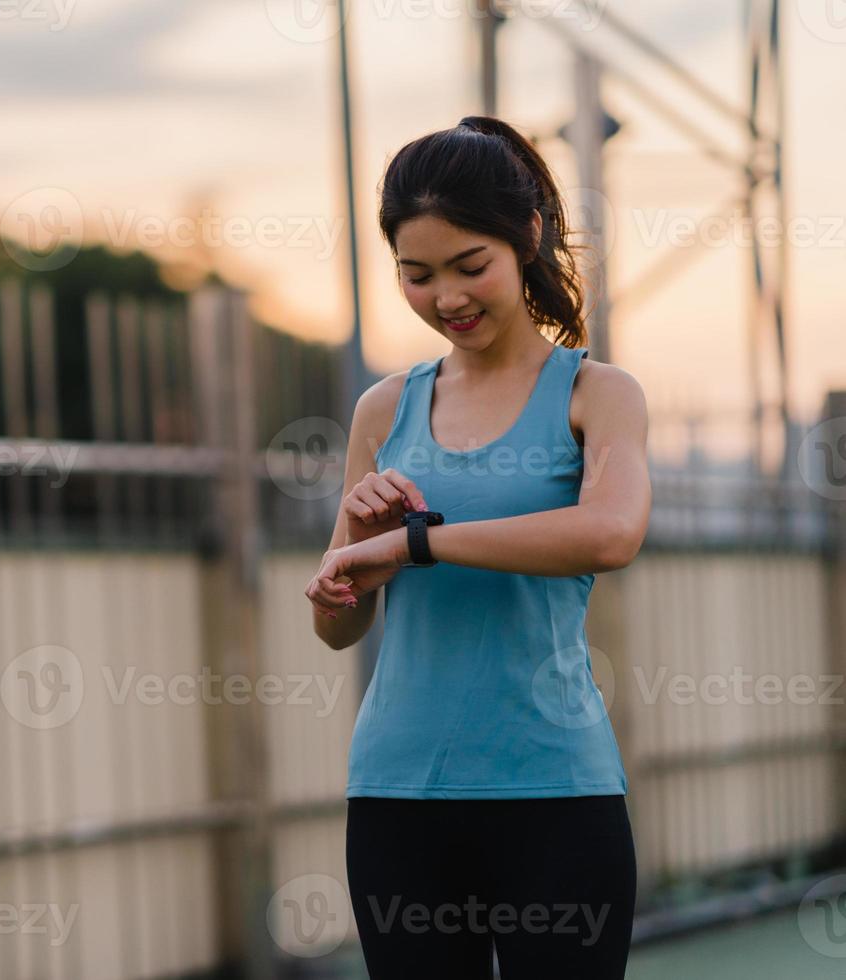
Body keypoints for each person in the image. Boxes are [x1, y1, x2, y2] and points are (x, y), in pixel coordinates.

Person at [305, 115, 651, 979]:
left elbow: (610, 532)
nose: (446, 299)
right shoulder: (382, 410)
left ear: (526, 238)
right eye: (415, 276)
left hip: (555, 791)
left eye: (470, 267)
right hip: (397, 793)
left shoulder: (597, 394)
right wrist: (342, 577)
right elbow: (341, 624)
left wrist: (419, 545)